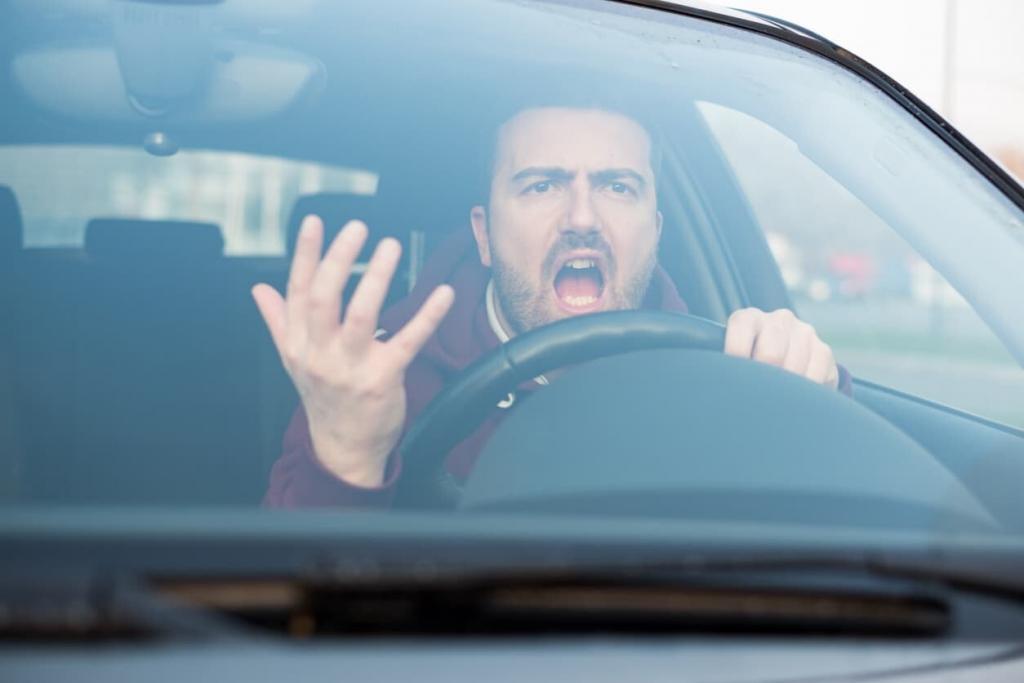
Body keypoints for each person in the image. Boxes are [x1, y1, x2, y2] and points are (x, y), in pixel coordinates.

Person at [253, 106, 849, 508]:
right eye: (542, 186)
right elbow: (302, 619)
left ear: (656, 229)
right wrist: (348, 458)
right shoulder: (372, 378)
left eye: (617, 187)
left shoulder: (733, 379)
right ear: (484, 236)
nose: (583, 219)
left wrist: (816, 395)